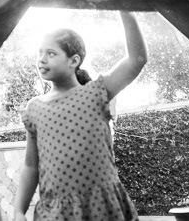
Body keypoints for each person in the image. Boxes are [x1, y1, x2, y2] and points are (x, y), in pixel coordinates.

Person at [14, 12, 147, 221]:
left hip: (104, 208)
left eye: (51, 53)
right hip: (57, 213)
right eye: (39, 52)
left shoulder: (96, 93)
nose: (41, 59)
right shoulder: (35, 108)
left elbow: (137, 60)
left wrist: (125, 10)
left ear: (73, 60)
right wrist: (18, 211)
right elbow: (31, 166)